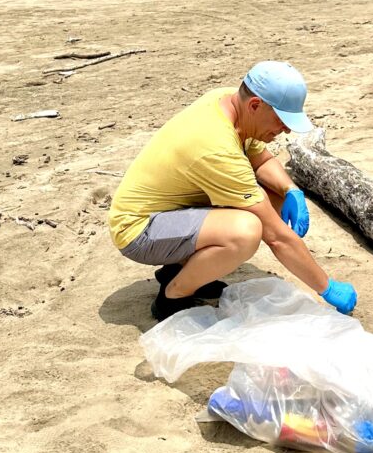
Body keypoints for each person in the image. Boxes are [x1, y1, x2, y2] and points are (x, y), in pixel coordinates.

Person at [108, 61, 358, 321]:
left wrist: (290, 190)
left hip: (168, 213)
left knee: (272, 196)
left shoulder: (227, 101)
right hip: (139, 231)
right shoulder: (216, 147)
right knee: (245, 231)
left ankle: (180, 269)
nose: (286, 129)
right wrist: (326, 287)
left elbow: (260, 159)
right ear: (255, 105)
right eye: (282, 119)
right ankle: (173, 296)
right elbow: (276, 237)